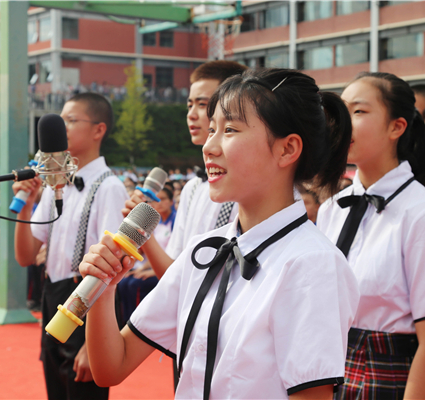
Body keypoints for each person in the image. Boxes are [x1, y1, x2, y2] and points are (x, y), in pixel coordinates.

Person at [79, 68, 359, 399]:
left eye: (230, 130)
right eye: (212, 129)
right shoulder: (203, 251)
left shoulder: (313, 263)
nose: (209, 147)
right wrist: (105, 287)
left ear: (287, 149)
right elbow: (112, 366)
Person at [317, 72, 425, 400]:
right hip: (327, 373)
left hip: (387, 377)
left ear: (396, 127)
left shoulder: (422, 214)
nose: (343, 122)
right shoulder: (332, 208)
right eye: (341, 111)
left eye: (358, 111)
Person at [12, 92, 128, 400]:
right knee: (56, 389)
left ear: (98, 130)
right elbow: (25, 256)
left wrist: (93, 344)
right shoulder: (55, 185)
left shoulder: (109, 188)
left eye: (71, 120)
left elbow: (112, 268)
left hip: (86, 302)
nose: (61, 128)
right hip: (52, 295)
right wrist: (26, 205)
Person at [122, 61, 247, 280]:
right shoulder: (192, 188)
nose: (191, 114)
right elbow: (175, 275)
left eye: (202, 104)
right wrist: (142, 230)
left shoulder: (247, 187)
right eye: (189, 105)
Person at [116, 187, 176, 325]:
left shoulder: (174, 221)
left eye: (163, 199)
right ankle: (124, 322)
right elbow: (143, 250)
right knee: (123, 282)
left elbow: (169, 254)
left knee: (135, 284)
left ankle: (136, 323)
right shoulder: (156, 222)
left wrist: (147, 270)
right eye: (156, 199)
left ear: (171, 202)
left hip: (164, 268)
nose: (159, 202)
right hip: (149, 265)